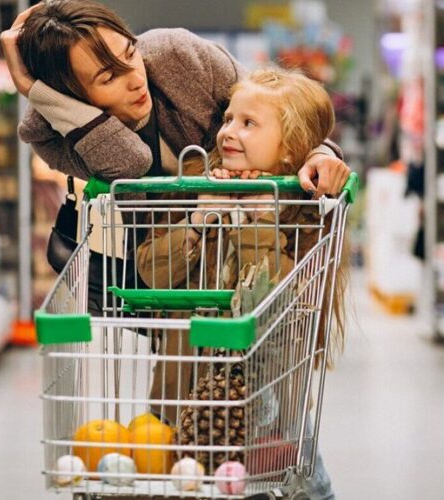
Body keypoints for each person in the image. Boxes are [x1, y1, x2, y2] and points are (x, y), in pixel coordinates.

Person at [135, 68, 347, 500]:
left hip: (268, 412)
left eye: (249, 124)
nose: (229, 132)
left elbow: (287, 305)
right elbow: (149, 272)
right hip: (183, 397)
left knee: (296, 487)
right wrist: (196, 220)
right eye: (229, 119)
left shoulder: (304, 211)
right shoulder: (196, 180)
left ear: (290, 151)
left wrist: (259, 226)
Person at [0, 0, 350, 194]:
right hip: (159, 270)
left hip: (256, 232)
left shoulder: (178, 56)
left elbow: (277, 107)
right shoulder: (51, 131)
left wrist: (319, 154)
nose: (135, 78)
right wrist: (35, 91)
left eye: (130, 51)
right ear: (69, 96)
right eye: (108, 77)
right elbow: (129, 163)